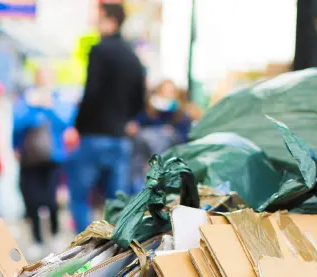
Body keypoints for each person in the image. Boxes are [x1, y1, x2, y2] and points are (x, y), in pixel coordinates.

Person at [68, 2, 146, 233]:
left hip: (94, 135)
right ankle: (113, 250)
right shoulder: (133, 56)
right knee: (116, 201)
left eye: (99, 18)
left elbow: (91, 93)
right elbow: (140, 98)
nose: (96, 23)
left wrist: (78, 126)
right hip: (120, 137)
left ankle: (84, 248)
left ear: (110, 20)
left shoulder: (99, 50)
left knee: (80, 196)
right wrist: (126, 119)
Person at [13, 82, 69, 260]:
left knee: (51, 201)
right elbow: (17, 126)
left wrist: (49, 108)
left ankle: (55, 233)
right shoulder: (26, 103)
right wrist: (33, 107)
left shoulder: (57, 101)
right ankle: (36, 239)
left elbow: (65, 124)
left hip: (52, 160)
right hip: (29, 160)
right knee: (32, 201)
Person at [126, 79, 193, 194]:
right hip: (145, 167)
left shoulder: (181, 117)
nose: (167, 96)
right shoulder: (147, 115)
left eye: (171, 92)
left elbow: (184, 141)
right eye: (163, 92)